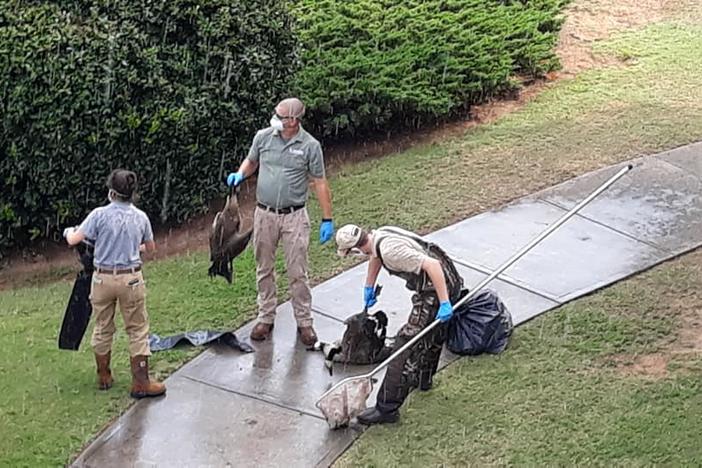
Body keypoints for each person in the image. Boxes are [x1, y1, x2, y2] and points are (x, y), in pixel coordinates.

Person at [226, 97, 334, 346]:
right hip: (264, 214)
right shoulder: (263, 137)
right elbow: (252, 161)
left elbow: (319, 182)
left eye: (281, 115)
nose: (275, 118)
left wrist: (327, 218)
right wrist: (240, 174)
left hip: (294, 216)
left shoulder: (309, 146)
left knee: (298, 271)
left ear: (293, 120)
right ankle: (266, 317)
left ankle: (304, 322)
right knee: (264, 267)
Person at [335, 224, 464, 425]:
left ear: (355, 249)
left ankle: (386, 408)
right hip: (445, 279)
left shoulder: (390, 251)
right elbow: (375, 256)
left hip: (437, 288)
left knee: (405, 344)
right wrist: (369, 286)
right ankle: (424, 379)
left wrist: (445, 301)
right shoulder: (379, 236)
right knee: (433, 333)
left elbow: (432, 266)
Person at [63, 169, 165, 399]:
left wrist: (69, 230)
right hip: (131, 279)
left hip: (102, 278)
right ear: (132, 194)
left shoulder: (98, 215)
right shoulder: (140, 217)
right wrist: (133, 249)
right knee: (137, 329)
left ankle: (104, 375)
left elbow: (74, 240)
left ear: (111, 192)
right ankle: (141, 383)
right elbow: (150, 248)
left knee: (102, 327)